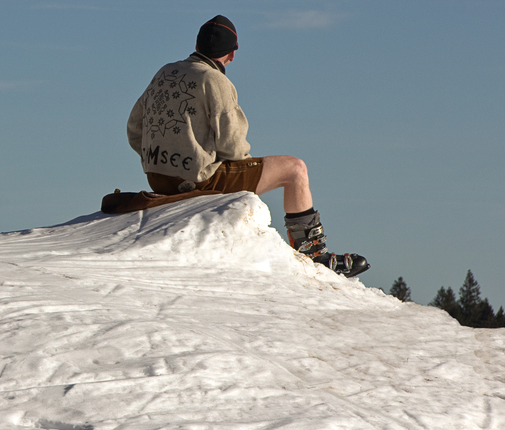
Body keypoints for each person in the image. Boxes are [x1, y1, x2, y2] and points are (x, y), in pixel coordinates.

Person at [126, 15, 367, 277]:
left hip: (157, 179)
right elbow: (233, 146)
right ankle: (312, 252)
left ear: (197, 46)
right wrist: (242, 167)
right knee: (295, 169)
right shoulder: (215, 81)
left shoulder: (164, 72)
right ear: (231, 54)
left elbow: (134, 128)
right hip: (199, 180)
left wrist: (165, 157)